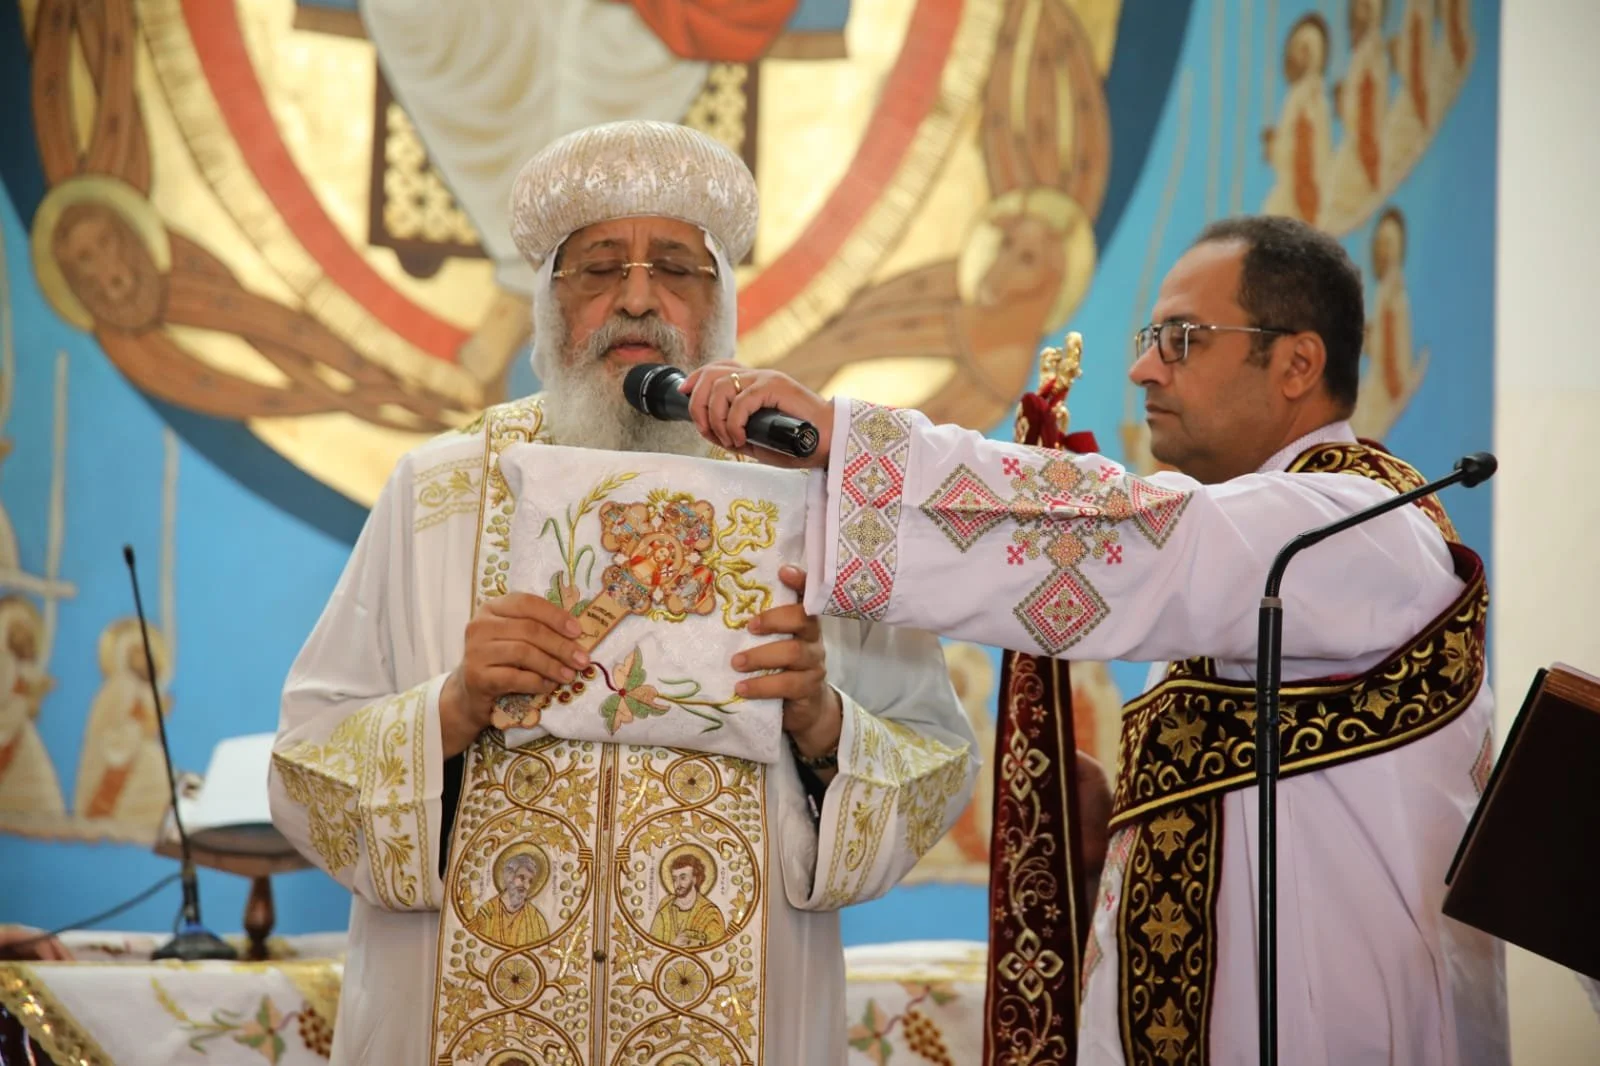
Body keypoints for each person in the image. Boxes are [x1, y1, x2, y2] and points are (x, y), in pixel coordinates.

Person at [685, 215, 1508, 1065]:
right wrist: (1111, 842)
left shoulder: (1358, 530)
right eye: (1153, 337)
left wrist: (847, 446)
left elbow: (1139, 540)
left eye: (1181, 338)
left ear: (1298, 363)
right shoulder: (1246, 572)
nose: (1143, 366)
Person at [268, 119, 978, 1066]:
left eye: (678, 270)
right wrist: (452, 706)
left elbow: (934, 763)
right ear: (548, 304)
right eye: (599, 267)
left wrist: (820, 721)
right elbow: (305, 766)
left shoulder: (817, 497)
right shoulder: (436, 491)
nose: (637, 298)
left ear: (720, 306)